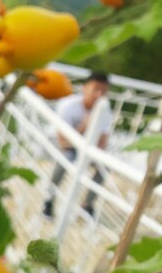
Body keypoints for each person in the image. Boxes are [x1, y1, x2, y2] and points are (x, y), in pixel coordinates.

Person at [42, 72, 112, 218]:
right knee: (65, 158)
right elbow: (63, 141)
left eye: (104, 91)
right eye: (96, 89)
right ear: (85, 88)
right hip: (57, 144)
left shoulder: (105, 110)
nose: (99, 95)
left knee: (104, 166)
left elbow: (103, 144)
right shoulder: (68, 105)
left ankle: (87, 205)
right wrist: (85, 127)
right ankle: (49, 199)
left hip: (84, 148)